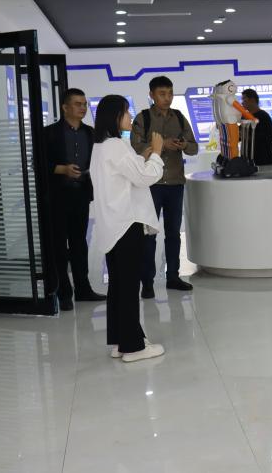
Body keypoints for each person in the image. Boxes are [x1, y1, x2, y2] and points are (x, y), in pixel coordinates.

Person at [90, 95, 166, 363]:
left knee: (119, 286)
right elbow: (146, 177)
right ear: (114, 116)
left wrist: (142, 157)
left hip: (113, 225)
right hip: (126, 224)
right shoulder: (115, 146)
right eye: (125, 112)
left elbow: (127, 174)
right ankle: (133, 347)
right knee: (129, 286)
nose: (130, 117)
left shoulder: (101, 147)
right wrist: (156, 153)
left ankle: (122, 341)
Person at [131, 76, 198, 298]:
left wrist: (183, 144)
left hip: (175, 183)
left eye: (170, 93)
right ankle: (147, 282)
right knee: (148, 235)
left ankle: (173, 277)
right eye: (162, 94)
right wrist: (160, 146)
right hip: (151, 184)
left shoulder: (178, 117)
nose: (167, 98)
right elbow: (136, 147)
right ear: (151, 95)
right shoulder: (143, 118)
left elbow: (194, 147)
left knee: (173, 233)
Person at [44, 88, 105, 311]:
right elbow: (37, 164)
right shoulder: (49, 133)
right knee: (59, 245)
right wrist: (62, 169)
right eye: (78, 104)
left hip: (81, 195)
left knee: (79, 243)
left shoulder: (91, 133)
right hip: (57, 197)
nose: (83, 108)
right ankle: (63, 292)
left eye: (84, 104)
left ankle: (83, 289)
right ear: (65, 107)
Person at [241, 88, 272, 166]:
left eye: (244, 99)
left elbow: (266, 138)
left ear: (252, 100)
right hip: (247, 161)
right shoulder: (244, 117)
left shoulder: (263, 116)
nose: (242, 103)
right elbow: (240, 136)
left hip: (263, 161)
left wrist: (246, 136)